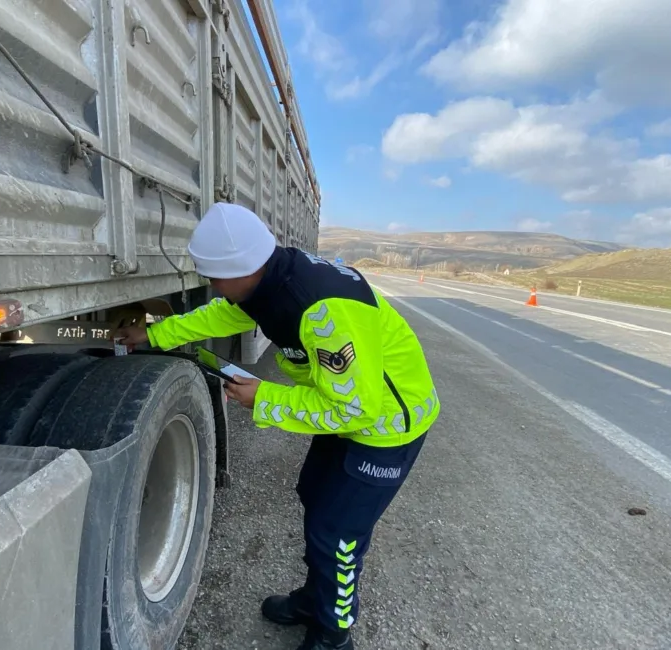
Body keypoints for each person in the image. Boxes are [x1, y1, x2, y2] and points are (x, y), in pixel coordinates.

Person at [116, 202, 440, 650]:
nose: (212, 286)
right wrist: (154, 335)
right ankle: (315, 600)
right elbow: (215, 316)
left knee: (339, 534)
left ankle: (334, 632)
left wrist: (263, 397)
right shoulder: (266, 284)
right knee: (316, 499)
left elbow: (355, 410)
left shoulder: (323, 311)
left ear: (242, 267)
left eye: (215, 276)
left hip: (384, 426)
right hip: (349, 412)